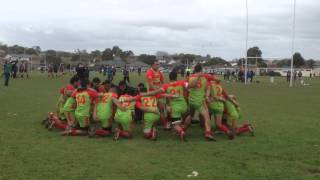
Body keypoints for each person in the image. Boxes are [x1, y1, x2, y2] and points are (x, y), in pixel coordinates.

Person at [187, 64, 215, 140]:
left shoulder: (192, 77)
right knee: (207, 117)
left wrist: (206, 95)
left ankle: (183, 129)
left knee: (190, 115)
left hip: (191, 100)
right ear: (201, 70)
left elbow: (206, 88)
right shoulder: (198, 77)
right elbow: (191, 85)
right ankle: (208, 133)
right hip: (199, 101)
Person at [145, 60, 168, 129]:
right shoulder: (149, 72)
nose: (158, 66)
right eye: (156, 64)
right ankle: (153, 125)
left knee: (161, 109)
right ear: (152, 65)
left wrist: (163, 89)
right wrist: (158, 91)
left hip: (158, 93)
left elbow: (163, 82)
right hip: (152, 94)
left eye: (158, 64)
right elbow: (151, 84)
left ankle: (164, 125)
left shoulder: (159, 72)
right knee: (153, 110)